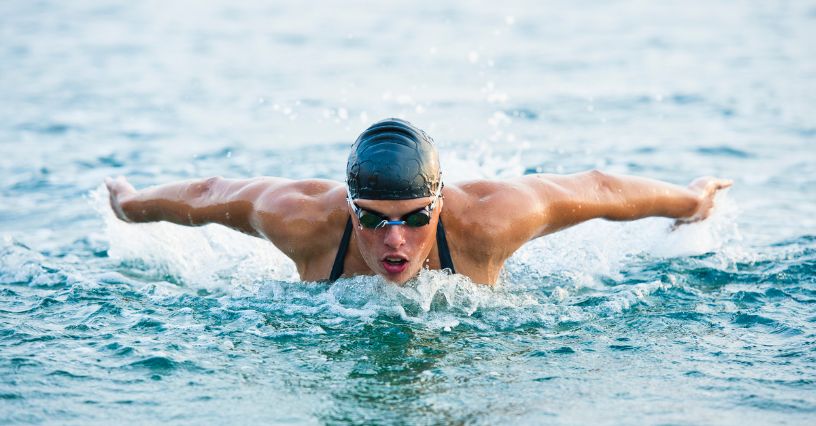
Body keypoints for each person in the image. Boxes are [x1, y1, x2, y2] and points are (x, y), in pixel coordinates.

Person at [106, 118, 732, 285]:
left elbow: (595, 189)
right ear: (349, 209)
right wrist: (130, 205)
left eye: (415, 221)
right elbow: (211, 194)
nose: (394, 242)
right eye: (373, 221)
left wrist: (690, 203)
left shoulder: (489, 219)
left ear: (441, 204)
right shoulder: (302, 219)